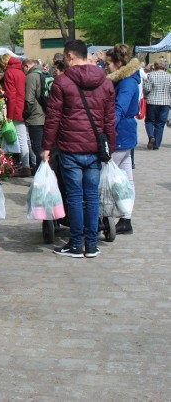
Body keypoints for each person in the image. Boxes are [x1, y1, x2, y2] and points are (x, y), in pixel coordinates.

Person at [41, 40, 116, 258]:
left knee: (74, 196)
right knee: (91, 196)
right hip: (94, 148)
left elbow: (53, 118)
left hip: (69, 148)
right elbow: (109, 121)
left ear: (71, 56)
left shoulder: (62, 82)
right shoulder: (105, 83)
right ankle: (91, 245)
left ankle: (75, 244)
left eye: (65, 57)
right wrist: (109, 148)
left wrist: (47, 146)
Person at [104, 44, 140, 234]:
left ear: (118, 63)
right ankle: (126, 219)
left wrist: (107, 131)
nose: (107, 67)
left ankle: (112, 216)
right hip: (125, 133)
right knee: (126, 179)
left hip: (120, 135)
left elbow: (119, 109)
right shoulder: (128, 79)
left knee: (110, 178)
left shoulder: (126, 83)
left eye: (109, 63)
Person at [0, 53, 31, 177]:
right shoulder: (20, 71)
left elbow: (12, 95)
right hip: (24, 106)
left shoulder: (9, 73)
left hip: (17, 108)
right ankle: (28, 164)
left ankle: (25, 167)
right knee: (26, 139)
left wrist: (9, 115)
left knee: (22, 139)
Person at [22, 58, 46, 172]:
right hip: (47, 115)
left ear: (27, 66)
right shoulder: (46, 73)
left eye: (23, 69)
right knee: (45, 148)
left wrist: (26, 114)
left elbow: (29, 100)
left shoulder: (31, 76)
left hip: (36, 117)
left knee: (37, 148)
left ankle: (42, 176)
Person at [143, 59, 171, 149]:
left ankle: (151, 136)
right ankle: (156, 145)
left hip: (153, 102)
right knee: (160, 124)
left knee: (149, 121)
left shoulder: (151, 75)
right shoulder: (169, 76)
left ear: (154, 66)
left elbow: (147, 88)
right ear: (164, 66)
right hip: (165, 102)